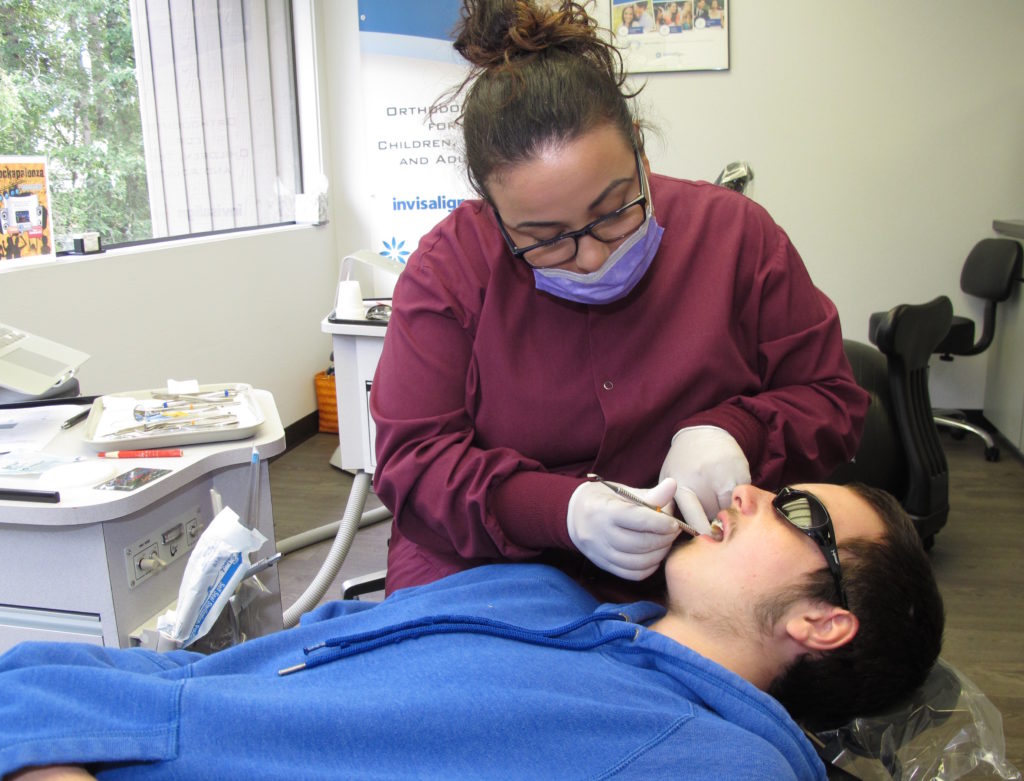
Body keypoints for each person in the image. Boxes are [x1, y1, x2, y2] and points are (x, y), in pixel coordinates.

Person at [370, 0, 869, 602]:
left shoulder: (736, 237)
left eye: (612, 213)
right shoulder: (449, 270)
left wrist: (735, 432)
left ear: (638, 148)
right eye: (543, 239)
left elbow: (830, 400)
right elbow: (414, 463)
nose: (590, 257)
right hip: (483, 563)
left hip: (688, 563)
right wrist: (558, 509)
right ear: (492, 211)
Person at [0, 482, 944, 780]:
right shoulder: (541, 598)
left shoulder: (715, 760)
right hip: (62, 703)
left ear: (823, 621)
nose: (746, 490)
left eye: (795, 512)